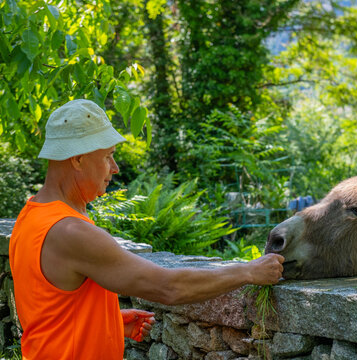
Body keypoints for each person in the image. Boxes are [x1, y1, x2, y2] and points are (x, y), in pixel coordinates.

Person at [9, 99, 284, 360]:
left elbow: (49, 309)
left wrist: (110, 322)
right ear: (78, 159)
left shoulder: (30, 216)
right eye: (108, 157)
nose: (115, 168)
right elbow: (169, 287)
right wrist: (249, 271)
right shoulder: (69, 232)